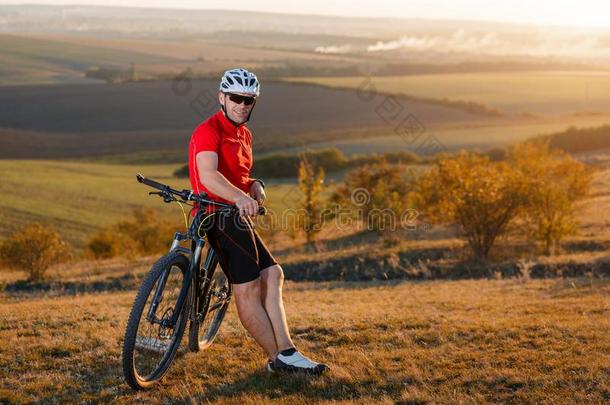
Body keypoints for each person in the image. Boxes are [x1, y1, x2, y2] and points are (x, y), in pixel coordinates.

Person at [188, 68, 328, 375]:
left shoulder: (244, 134)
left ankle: (286, 352)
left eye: (248, 100)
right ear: (221, 97)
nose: (241, 104)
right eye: (235, 98)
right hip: (217, 216)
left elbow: (236, 174)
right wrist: (238, 197)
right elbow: (209, 175)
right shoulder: (207, 130)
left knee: (273, 274)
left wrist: (253, 185)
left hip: (236, 215)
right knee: (248, 290)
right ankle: (280, 358)